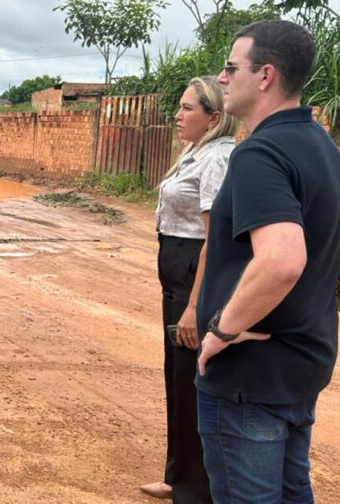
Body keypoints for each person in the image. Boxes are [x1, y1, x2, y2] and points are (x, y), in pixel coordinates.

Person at [195, 20, 340, 503]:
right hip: (302, 365)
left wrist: (222, 330)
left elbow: (282, 261)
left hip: (249, 377)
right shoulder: (323, 148)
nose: (221, 78)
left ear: (265, 76)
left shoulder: (261, 152)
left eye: (231, 67)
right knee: (292, 491)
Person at [141, 76, 237, 503]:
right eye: (178, 107)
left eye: (187, 108)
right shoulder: (194, 153)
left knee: (190, 385)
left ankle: (195, 491)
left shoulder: (218, 158)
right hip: (176, 274)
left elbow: (215, 239)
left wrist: (194, 307)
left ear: (213, 117)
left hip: (192, 279)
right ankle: (177, 476)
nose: (177, 115)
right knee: (177, 381)